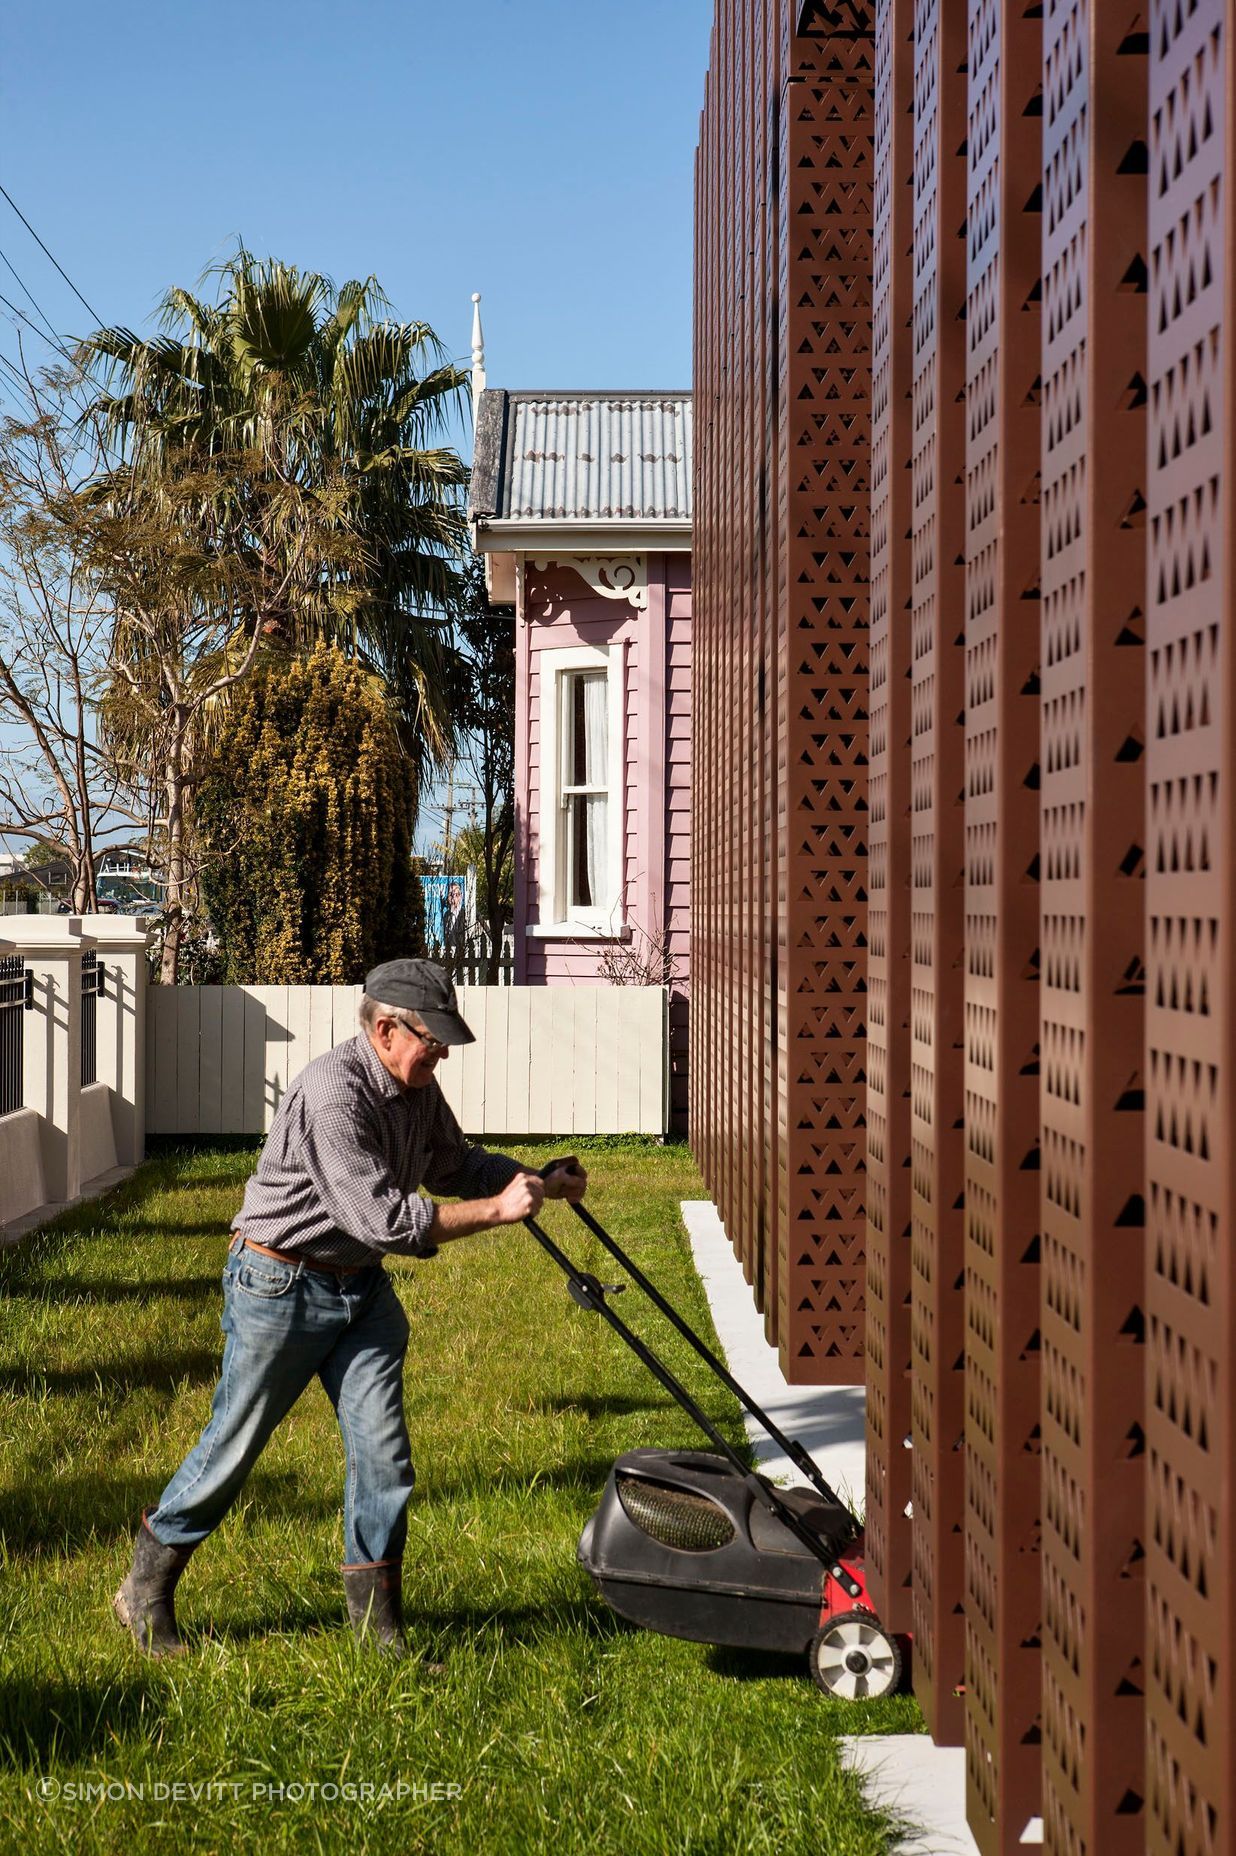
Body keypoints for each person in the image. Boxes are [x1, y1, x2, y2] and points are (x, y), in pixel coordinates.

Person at [112, 958, 587, 1661]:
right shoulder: (334, 1093)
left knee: (385, 1458)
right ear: (387, 1029)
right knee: (234, 1448)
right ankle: (144, 1590)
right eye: (434, 1039)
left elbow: (454, 1163)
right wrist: (495, 1213)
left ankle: (376, 1630)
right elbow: (383, 1220)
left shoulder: (415, 1087)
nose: (444, 1052)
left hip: (358, 1292)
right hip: (280, 1285)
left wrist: (531, 1178)